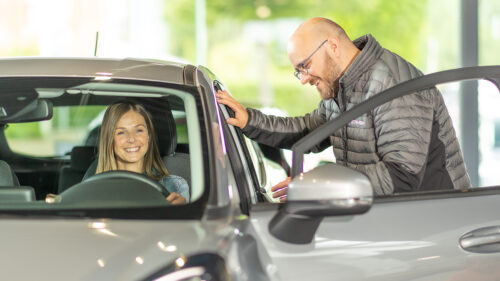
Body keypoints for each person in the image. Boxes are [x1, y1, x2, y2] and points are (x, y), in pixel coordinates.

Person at [217, 17, 471, 201]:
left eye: (305, 65)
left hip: (431, 224)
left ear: (333, 47)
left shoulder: (393, 84)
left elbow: (400, 176)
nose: (303, 79)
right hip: (391, 218)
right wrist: (250, 120)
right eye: (298, 71)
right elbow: (309, 131)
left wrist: (318, 184)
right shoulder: (341, 87)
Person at [96, 101, 189, 205]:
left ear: (148, 135)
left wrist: (181, 212)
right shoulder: (91, 189)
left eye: (139, 130)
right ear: (109, 139)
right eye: (121, 132)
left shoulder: (175, 186)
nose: (131, 139)